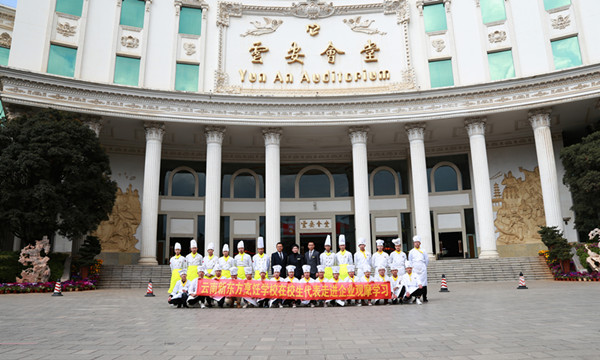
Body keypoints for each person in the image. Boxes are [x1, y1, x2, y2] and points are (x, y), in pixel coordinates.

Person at [408, 235, 429, 302]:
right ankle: (417, 297)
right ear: (414, 243)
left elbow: (426, 260)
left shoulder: (423, 250)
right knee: (415, 283)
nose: (416, 243)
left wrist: (423, 266)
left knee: (424, 283)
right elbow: (410, 260)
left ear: (420, 243)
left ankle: (424, 297)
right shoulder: (411, 251)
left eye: (418, 242)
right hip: (415, 269)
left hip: (422, 268)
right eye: (415, 242)